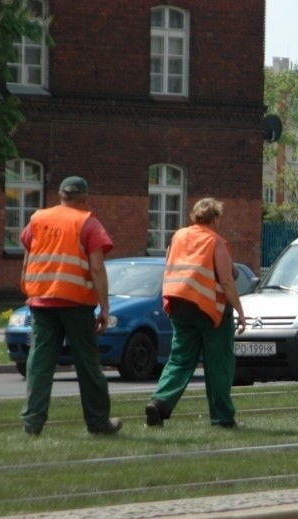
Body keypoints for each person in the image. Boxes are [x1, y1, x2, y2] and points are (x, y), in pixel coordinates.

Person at [19, 176, 122, 436]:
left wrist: (27, 289)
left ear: (60, 195)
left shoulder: (38, 219)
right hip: (76, 303)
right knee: (87, 363)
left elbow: (28, 257)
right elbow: (96, 267)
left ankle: (32, 424)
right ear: (84, 198)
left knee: (40, 361)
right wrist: (105, 307)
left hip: (41, 301)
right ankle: (98, 423)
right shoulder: (88, 222)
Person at [145, 198, 246, 428]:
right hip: (209, 309)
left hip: (179, 304)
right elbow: (227, 280)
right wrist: (240, 311)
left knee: (180, 359)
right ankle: (222, 418)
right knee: (218, 364)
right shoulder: (215, 241)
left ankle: (160, 403)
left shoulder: (178, 236)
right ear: (215, 218)